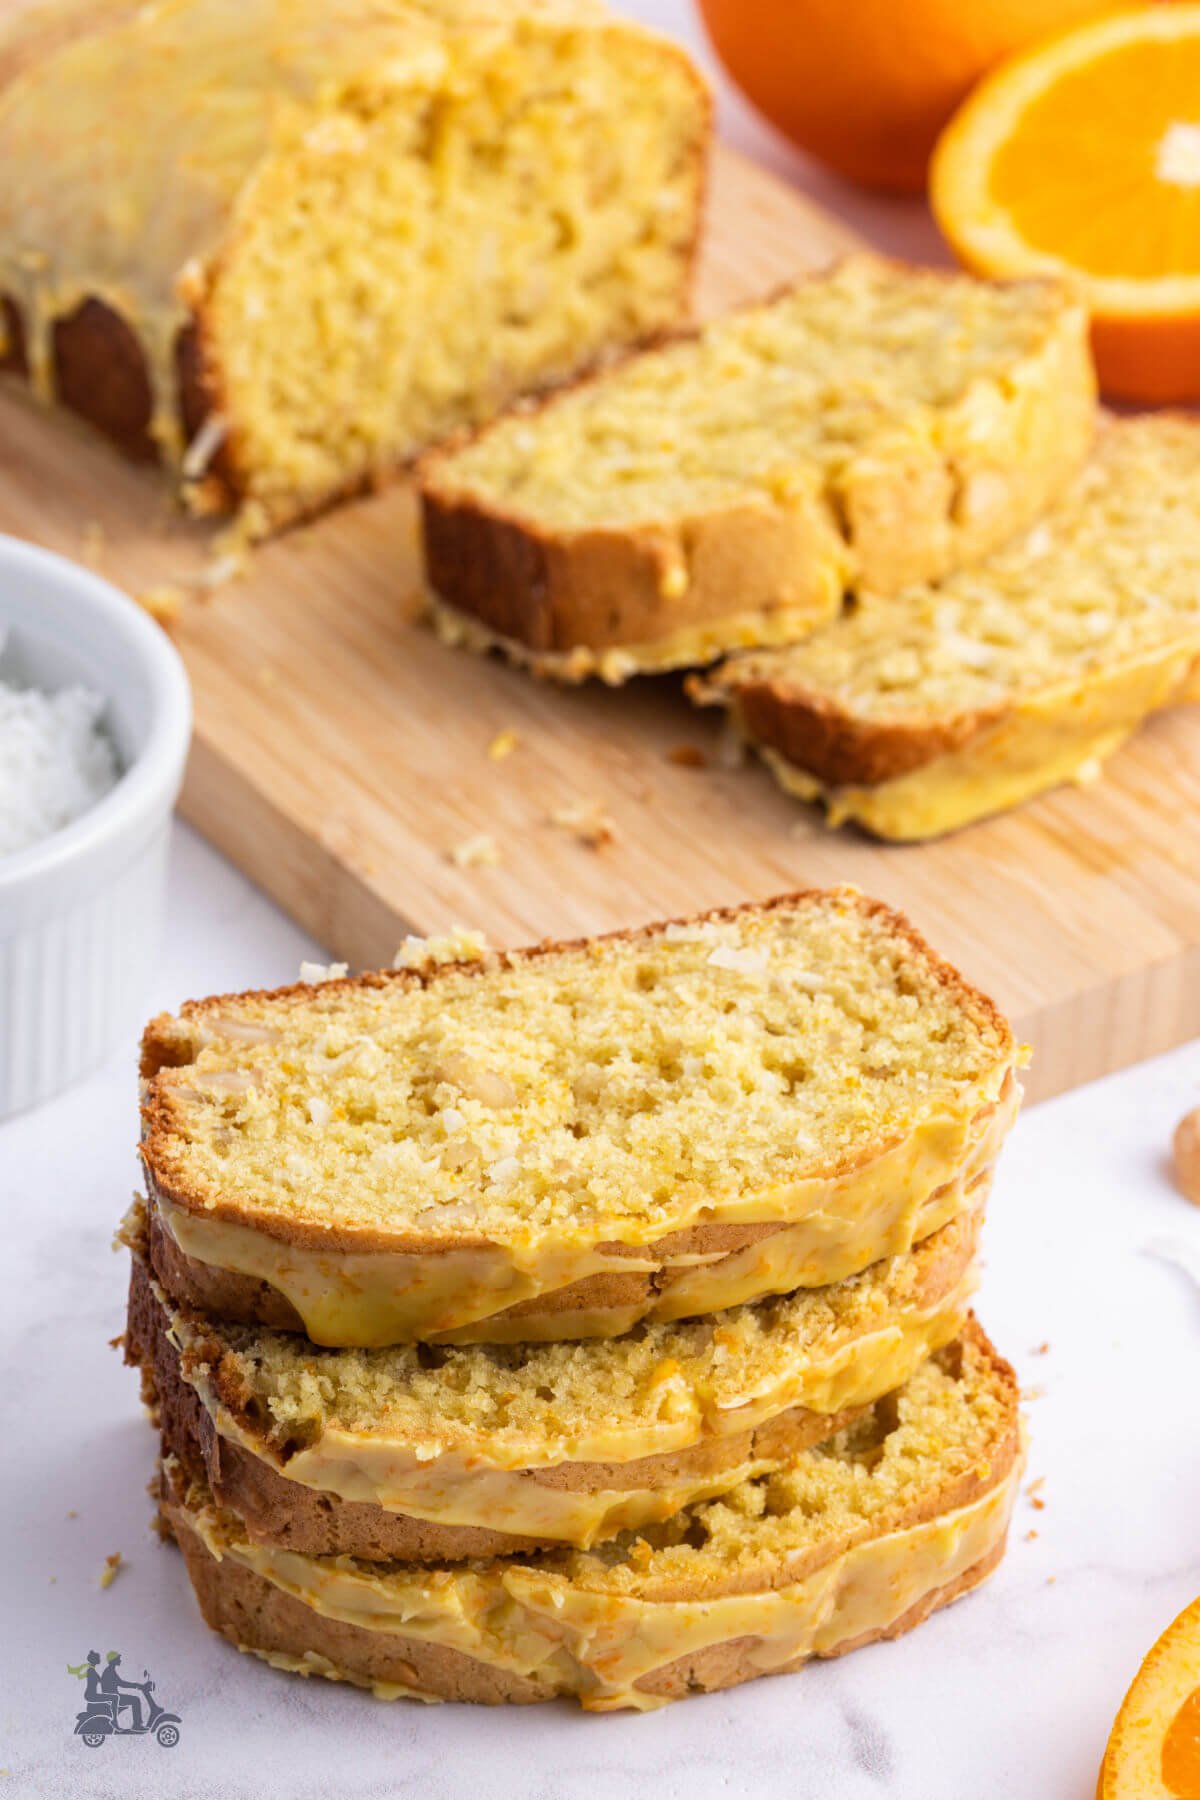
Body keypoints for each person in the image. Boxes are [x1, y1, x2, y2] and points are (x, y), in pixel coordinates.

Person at [99, 1651, 145, 1730]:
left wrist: (136, 1685)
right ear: (113, 1660)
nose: (120, 1660)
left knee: (134, 1699)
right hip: (113, 1697)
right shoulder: (110, 1671)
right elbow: (121, 1684)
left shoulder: (110, 1670)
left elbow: (120, 1683)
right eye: (118, 1659)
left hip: (114, 1696)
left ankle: (137, 1724)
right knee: (135, 1700)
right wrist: (136, 1685)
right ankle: (137, 1725)